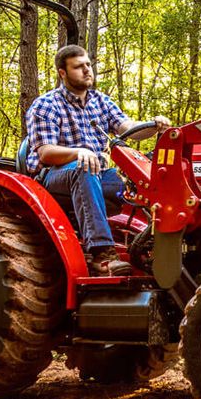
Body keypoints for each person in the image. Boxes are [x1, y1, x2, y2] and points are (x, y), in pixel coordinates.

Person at [26, 44, 170, 275]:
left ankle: (158, 244)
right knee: (84, 167)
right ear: (62, 73)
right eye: (78, 67)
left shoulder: (100, 101)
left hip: (98, 175)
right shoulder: (46, 105)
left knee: (142, 178)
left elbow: (128, 129)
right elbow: (45, 152)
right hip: (56, 177)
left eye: (88, 65)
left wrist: (154, 126)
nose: (86, 71)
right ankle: (101, 254)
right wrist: (78, 152)